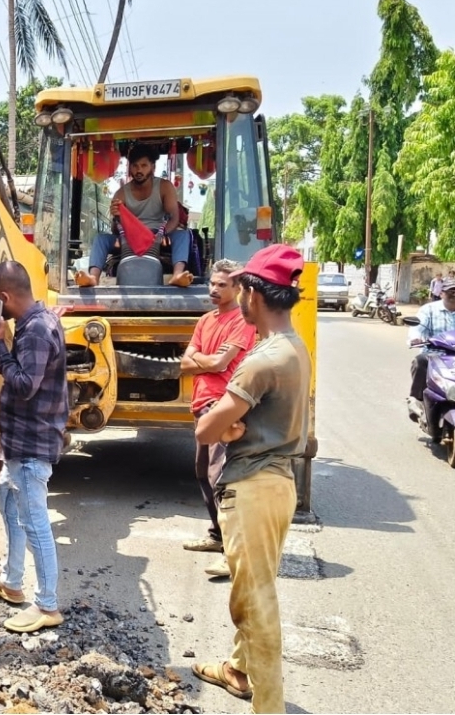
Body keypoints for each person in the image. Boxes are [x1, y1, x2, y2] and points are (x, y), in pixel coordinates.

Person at [191, 244, 311, 714]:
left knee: (254, 604)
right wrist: (235, 422)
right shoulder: (291, 348)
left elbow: (205, 429)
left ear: (254, 296)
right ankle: (239, 671)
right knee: (256, 585)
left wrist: (225, 423)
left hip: (255, 487)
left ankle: (270, 706)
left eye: (241, 286)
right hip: (278, 482)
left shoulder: (265, 360)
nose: (236, 295)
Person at [0, 260, 69, 633]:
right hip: (19, 442)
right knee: (7, 502)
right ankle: (13, 583)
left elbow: (25, 385)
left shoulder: (34, 332)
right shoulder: (36, 323)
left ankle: (47, 605)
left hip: (31, 443)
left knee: (34, 522)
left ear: (4, 298)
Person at [179, 259, 257, 578]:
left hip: (224, 403)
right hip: (202, 403)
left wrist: (202, 360)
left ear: (238, 288)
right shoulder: (205, 320)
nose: (214, 289)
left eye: (222, 285)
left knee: (219, 475)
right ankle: (217, 536)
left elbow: (220, 363)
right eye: (212, 283)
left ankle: (232, 551)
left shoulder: (242, 321)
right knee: (203, 472)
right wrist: (204, 361)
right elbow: (186, 363)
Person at [75, 144, 193, 288]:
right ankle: (93, 278)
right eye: (135, 166)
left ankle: (177, 274)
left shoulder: (164, 186)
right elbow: (115, 229)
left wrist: (162, 235)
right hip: (129, 238)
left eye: (144, 165)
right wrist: (116, 216)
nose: (139, 170)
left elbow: (174, 218)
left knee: (183, 235)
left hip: (158, 235)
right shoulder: (121, 193)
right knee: (101, 239)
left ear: (152, 167)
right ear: (130, 168)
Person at [407, 278, 455, 420]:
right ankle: (416, 399)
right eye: (451, 291)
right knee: (420, 361)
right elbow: (417, 328)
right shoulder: (428, 310)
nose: (454, 294)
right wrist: (416, 338)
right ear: (441, 293)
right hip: (435, 354)